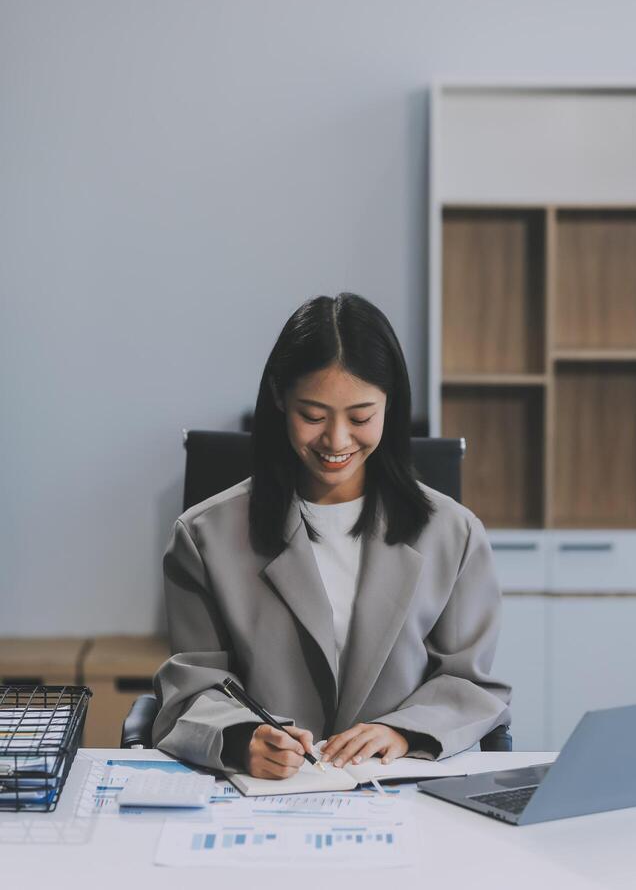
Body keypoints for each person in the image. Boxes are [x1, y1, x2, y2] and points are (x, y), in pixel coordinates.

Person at [152, 293, 511, 779]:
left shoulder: (455, 533)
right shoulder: (203, 537)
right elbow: (192, 688)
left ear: (391, 405)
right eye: (313, 416)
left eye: (361, 418)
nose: (337, 442)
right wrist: (241, 738)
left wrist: (403, 732)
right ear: (280, 399)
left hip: (405, 792)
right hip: (261, 799)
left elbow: (470, 684)